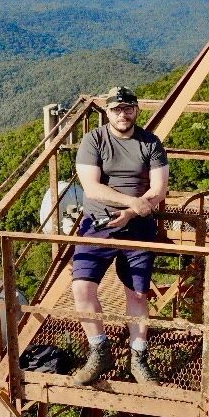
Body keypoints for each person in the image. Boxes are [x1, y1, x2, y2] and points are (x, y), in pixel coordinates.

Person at [71, 86, 169, 385]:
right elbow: (92, 188)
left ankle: (138, 357)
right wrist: (131, 203)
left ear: (136, 110)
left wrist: (134, 212)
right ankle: (99, 350)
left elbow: (158, 189)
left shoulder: (150, 143)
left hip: (138, 225)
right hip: (99, 222)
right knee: (81, 289)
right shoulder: (94, 140)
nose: (122, 114)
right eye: (116, 110)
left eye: (127, 109)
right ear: (107, 113)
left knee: (137, 294)